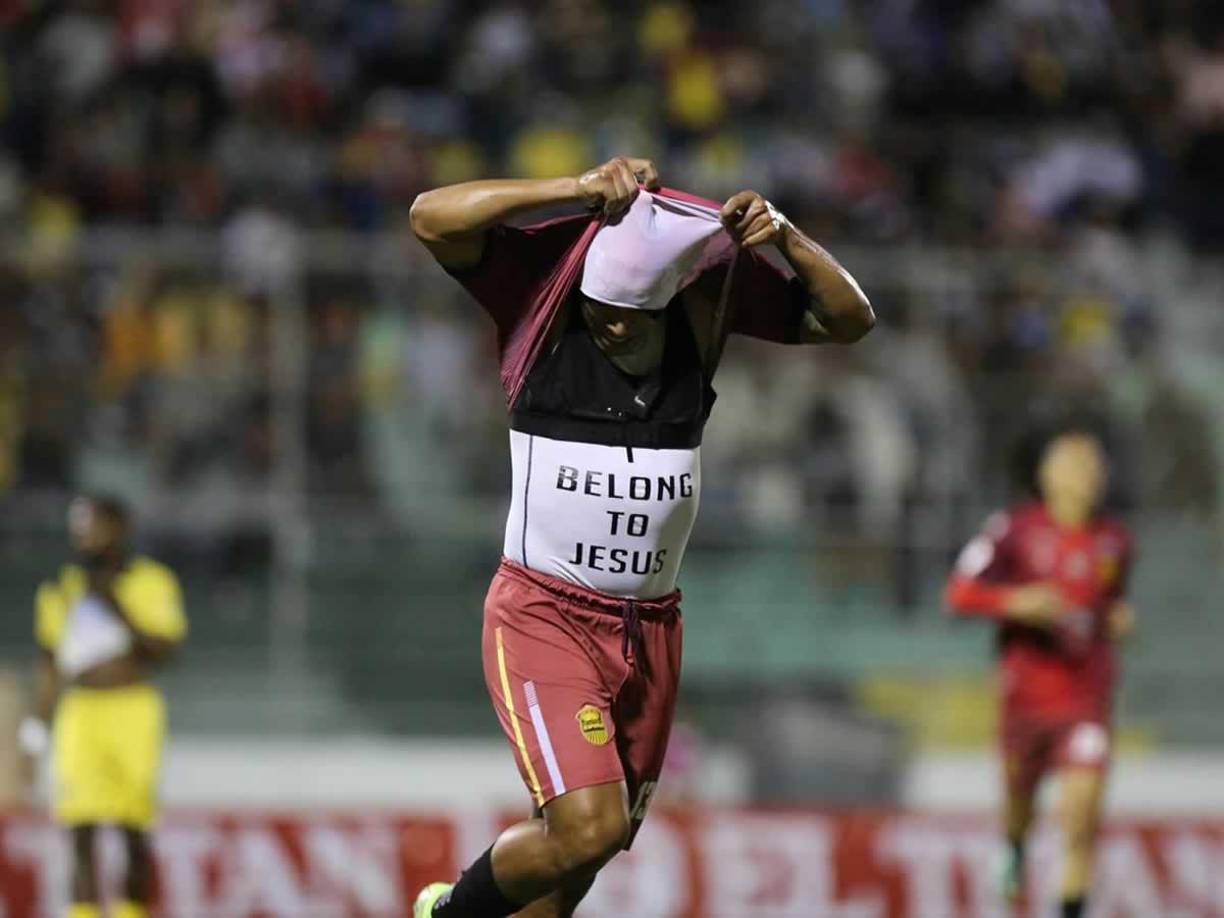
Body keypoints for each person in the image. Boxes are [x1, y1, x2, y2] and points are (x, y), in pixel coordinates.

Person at [407, 156, 874, 918]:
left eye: (630, 309)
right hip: (546, 612)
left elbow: (852, 318)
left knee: (586, 853)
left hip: (648, 626)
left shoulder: (703, 308)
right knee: (585, 827)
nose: (608, 318)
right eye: (601, 301)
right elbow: (431, 214)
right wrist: (570, 190)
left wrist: (784, 235)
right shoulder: (543, 295)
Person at [945, 430, 1136, 918]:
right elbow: (959, 592)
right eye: (1074, 464)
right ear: (1047, 475)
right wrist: (1016, 601)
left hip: (1085, 694)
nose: (1087, 476)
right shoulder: (1012, 529)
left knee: (1080, 814)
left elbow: (1107, 604)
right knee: (1019, 809)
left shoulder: (1114, 541)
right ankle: (1013, 846)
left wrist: (1118, 618)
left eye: (1094, 466)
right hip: (1025, 698)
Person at [17, 495, 187, 918]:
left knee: (133, 829)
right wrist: (36, 729)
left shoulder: (152, 582)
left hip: (133, 709)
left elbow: (165, 651)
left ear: (119, 528)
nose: (82, 534)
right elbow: (51, 663)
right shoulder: (61, 589)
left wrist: (114, 604)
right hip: (81, 713)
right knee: (79, 829)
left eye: (91, 524)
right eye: (77, 525)